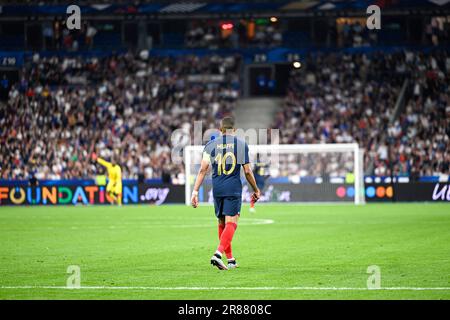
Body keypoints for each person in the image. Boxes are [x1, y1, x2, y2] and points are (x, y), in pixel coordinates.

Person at [191, 117, 261, 270]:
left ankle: (230, 260)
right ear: (234, 130)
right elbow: (247, 171)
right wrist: (255, 189)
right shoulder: (241, 145)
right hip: (233, 188)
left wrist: (195, 191)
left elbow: (203, 169)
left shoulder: (210, 145)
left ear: (219, 129)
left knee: (221, 223)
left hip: (217, 189)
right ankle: (218, 254)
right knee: (232, 223)